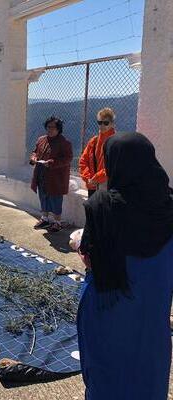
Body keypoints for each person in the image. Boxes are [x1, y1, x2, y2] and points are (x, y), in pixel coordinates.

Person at [77, 132, 173, 400]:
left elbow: (89, 257)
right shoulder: (168, 206)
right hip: (153, 310)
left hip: (109, 306)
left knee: (108, 371)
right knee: (148, 371)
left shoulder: (102, 206)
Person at [30, 116, 73, 232]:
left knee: (55, 200)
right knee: (43, 198)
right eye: (48, 127)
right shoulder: (41, 140)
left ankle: (57, 222)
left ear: (58, 129)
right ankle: (45, 219)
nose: (50, 129)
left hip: (56, 178)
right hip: (41, 175)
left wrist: (52, 163)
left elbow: (68, 158)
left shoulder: (64, 143)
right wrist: (33, 157)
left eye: (53, 127)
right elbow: (35, 151)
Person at [79, 107, 116, 198]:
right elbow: (83, 160)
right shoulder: (94, 141)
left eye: (106, 123)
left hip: (108, 186)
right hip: (92, 185)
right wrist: (88, 178)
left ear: (112, 124)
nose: (102, 126)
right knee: (92, 211)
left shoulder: (116, 141)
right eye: (99, 122)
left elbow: (113, 166)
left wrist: (96, 178)